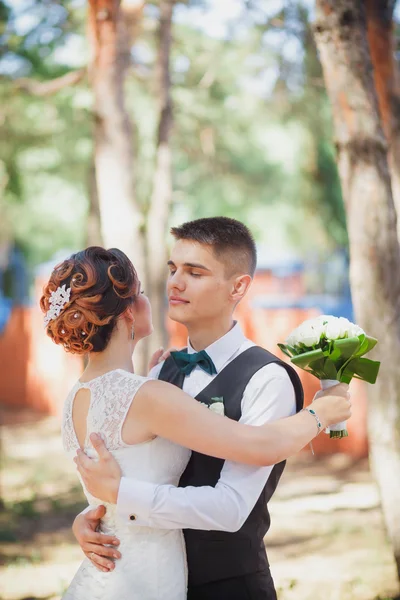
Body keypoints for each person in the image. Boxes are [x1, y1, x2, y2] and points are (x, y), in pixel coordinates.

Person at [42, 233, 350, 600]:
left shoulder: (83, 394)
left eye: (194, 272)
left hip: (220, 582)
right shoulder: (153, 384)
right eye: (171, 270)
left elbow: (229, 505)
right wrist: (320, 413)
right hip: (144, 580)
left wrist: (105, 507)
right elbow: (256, 445)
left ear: (238, 287)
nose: (173, 283)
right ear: (127, 312)